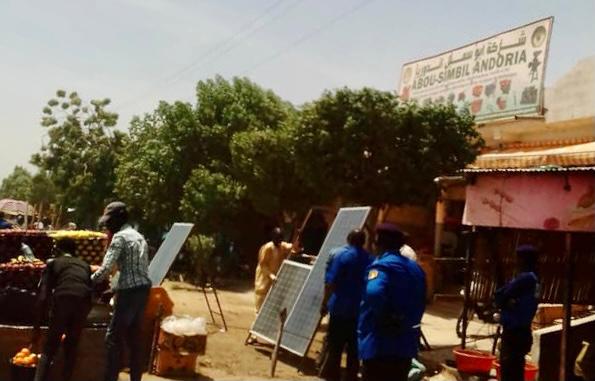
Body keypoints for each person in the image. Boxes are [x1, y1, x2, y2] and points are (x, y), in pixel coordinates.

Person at [91, 201, 152, 381]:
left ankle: (110, 378)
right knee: (134, 338)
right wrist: (114, 288)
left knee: (112, 338)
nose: (107, 225)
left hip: (129, 293)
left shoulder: (120, 238)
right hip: (143, 290)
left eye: (109, 221)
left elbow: (105, 269)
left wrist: (86, 282)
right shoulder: (139, 237)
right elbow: (137, 271)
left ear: (119, 219)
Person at [358, 223, 426, 381]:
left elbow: (374, 293)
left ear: (379, 243)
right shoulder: (416, 269)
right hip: (406, 344)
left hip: (380, 344)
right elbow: (423, 299)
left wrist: (387, 316)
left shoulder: (382, 266)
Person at [32, 238, 93, 381]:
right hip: (82, 303)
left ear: (59, 250)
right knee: (71, 348)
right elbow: (89, 293)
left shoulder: (53, 263)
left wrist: (37, 327)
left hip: (63, 299)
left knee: (49, 347)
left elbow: (43, 296)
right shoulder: (85, 265)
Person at [319, 229, 371, 381]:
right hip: (359, 311)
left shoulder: (338, 255)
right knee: (354, 349)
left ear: (348, 239)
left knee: (335, 345)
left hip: (339, 308)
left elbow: (330, 283)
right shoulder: (370, 259)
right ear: (364, 241)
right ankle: (351, 376)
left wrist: (324, 303)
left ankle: (332, 376)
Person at [494, 244, 539, 381]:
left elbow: (500, 296)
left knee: (509, 371)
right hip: (523, 332)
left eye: (518, 259)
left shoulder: (525, 278)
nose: (515, 262)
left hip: (514, 332)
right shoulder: (534, 279)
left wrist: (507, 301)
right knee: (516, 370)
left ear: (524, 260)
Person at [253, 227, 293, 313]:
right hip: (264, 281)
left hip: (274, 282)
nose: (280, 241)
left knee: (270, 307)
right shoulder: (268, 248)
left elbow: (291, 247)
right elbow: (262, 264)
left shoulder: (281, 246)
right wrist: (270, 275)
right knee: (260, 307)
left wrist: (296, 243)